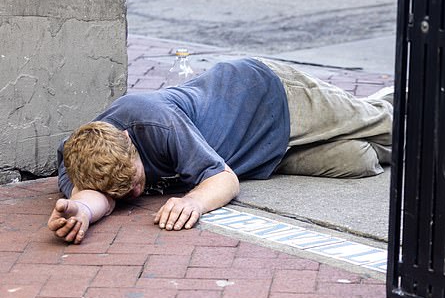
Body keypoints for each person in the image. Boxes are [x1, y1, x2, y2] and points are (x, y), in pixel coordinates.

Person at [48, 57, 393, 244]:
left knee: (390, 126)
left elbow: (222, 179)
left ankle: (421, 104)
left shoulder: (154, 120)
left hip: (270, 96)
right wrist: (80, 211)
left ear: (128, 139)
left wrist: (193, 201)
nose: (136, 193)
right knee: (359, 160)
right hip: (265, 153)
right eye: (124, 193)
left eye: (135, 181)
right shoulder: (76, 159)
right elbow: (97, 197)